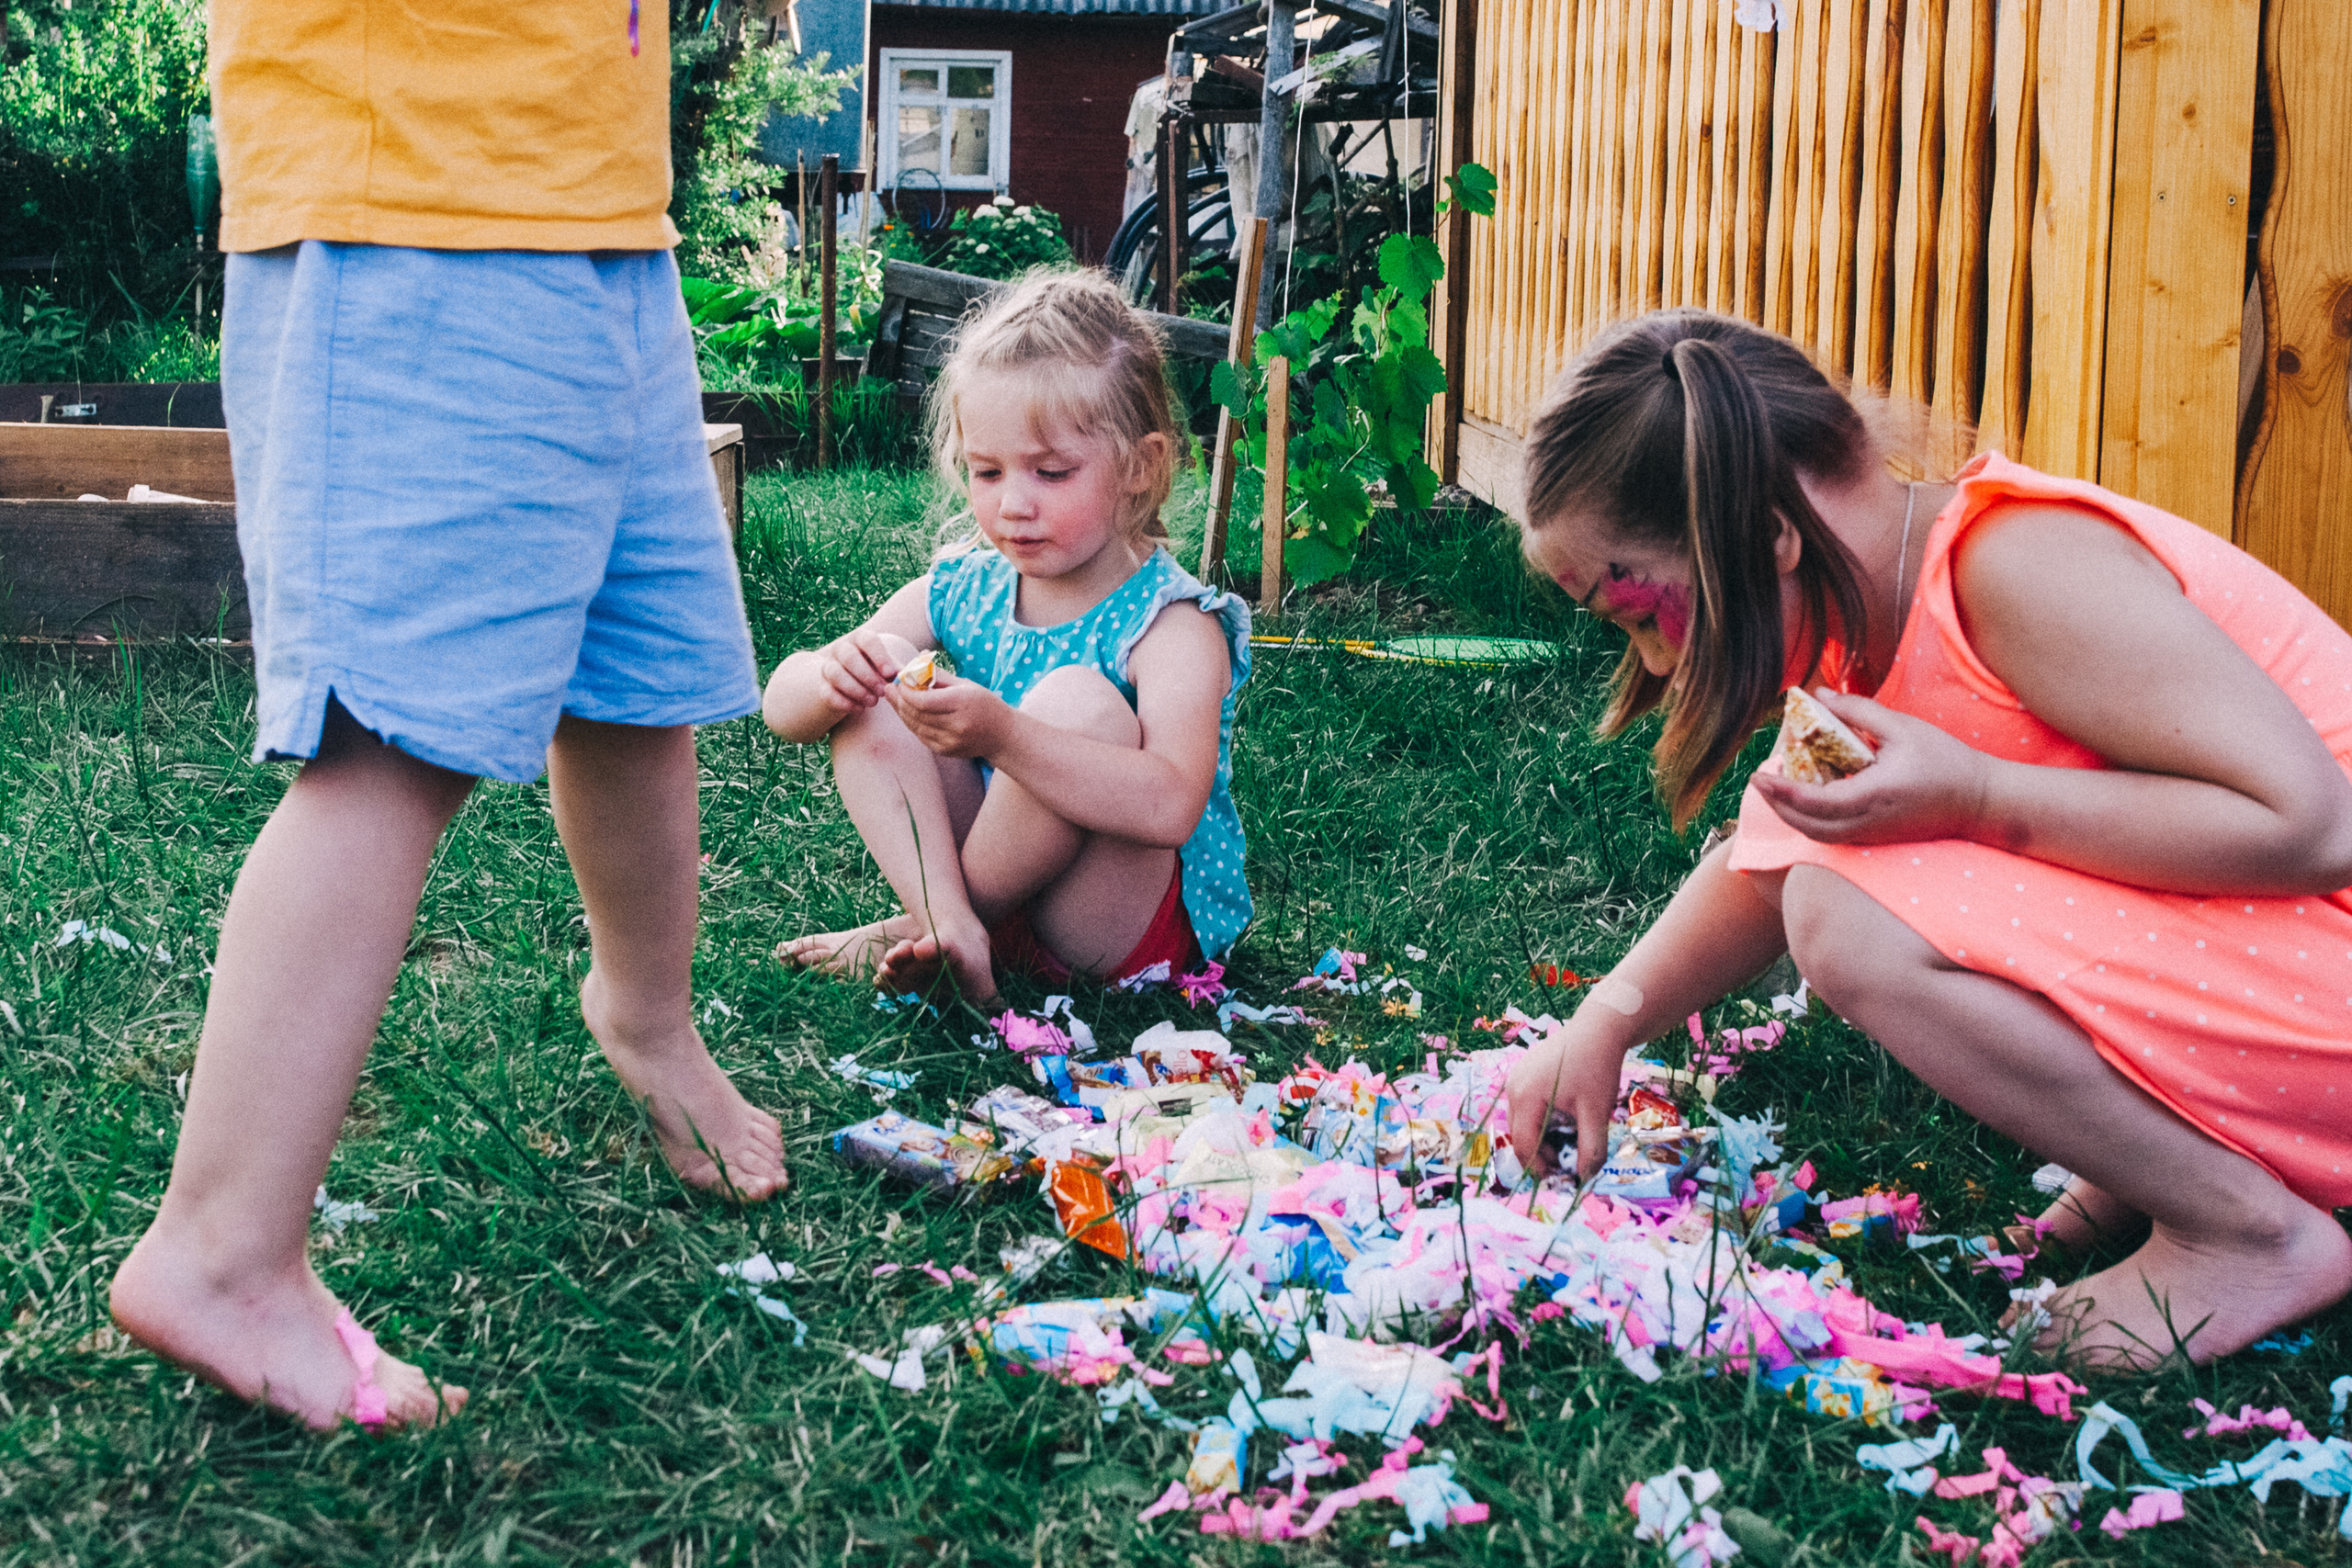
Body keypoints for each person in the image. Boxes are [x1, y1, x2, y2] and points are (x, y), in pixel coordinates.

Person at [108, 2, 786, 1433]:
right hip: (411, 208)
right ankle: (221, 1248)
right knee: (390, 745)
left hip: (601, 215)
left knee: (633, 682)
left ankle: (648, 1015)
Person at [1502, 308, 2352, 1368]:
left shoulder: (2014, 567)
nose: (1661, 667)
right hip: (2295, 985)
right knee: (1836, 865)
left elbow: (2316, 826)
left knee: (1847, 917)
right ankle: (2159, 1169)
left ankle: (2246, 1231)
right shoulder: (1864, 625)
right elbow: (1766, 855)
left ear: (1769, 534)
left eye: (1644, 612)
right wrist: (1604, 1024)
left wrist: (1979, 798)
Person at [765, 270, 1251, 1005]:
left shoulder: (1172, 622)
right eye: (987, 471)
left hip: (1110, 928)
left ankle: (939, 925)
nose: (1013, 503)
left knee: (1077, 703)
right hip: (996, 882)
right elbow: (780, 707)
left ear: (1140, 467)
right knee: (885, 674)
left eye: (1051, 472)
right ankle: (951, 925)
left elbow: (1169, 806)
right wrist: (830, 676)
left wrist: (1002, 736)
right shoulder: (967, 586)